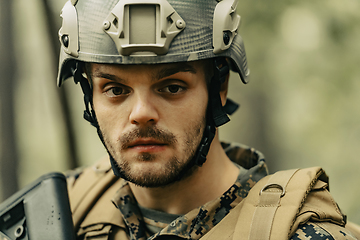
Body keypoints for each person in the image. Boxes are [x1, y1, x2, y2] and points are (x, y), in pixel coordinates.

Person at [57, 0, 360, 239]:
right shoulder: (60, 212)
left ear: (220, 88)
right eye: (115, 89)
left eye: (172, 87)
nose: (141, 114)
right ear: (90, 97)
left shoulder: (304, 234)